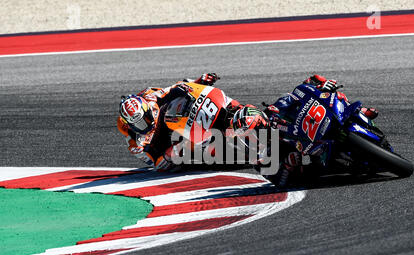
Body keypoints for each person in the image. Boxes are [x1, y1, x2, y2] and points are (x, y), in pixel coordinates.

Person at [232, 74, 379, 186]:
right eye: (250, 135)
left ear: (259, 118)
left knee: (337, 98)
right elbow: (279, 181)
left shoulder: (275, 109)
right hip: (310, 158)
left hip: (315, 124)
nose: (257, 135)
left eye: (256, 129)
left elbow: (300, 91)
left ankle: (360, 111)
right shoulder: (260, 157)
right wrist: (288, 165)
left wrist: (321, 84)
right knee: (319, 176)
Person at [117, 73, 251, 171]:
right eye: (139, 124)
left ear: (147, 110)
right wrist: (178, 147)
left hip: (174, 118)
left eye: (145, 119)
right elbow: (158, 164)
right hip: (168, 146)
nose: (144, 125)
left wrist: (199, 82)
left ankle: (239, 112)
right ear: (130, 125)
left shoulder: (151, 98)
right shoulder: (136, 143)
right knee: (188, 160)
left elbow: (177, 87)